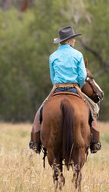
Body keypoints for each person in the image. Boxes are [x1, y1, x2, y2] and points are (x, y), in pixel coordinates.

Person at [29, 26, 101, 154]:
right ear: (69, 40)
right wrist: (77, 85)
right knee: (91, 114)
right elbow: (82, 76)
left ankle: (35, 142)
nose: (74, 41)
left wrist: (58, 84)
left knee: (39, 113)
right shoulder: (78, 55)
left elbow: (52, 77)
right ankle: (95, 142)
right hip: (74, 88)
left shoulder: (53, 56)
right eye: (73, 39)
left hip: (57, 88)